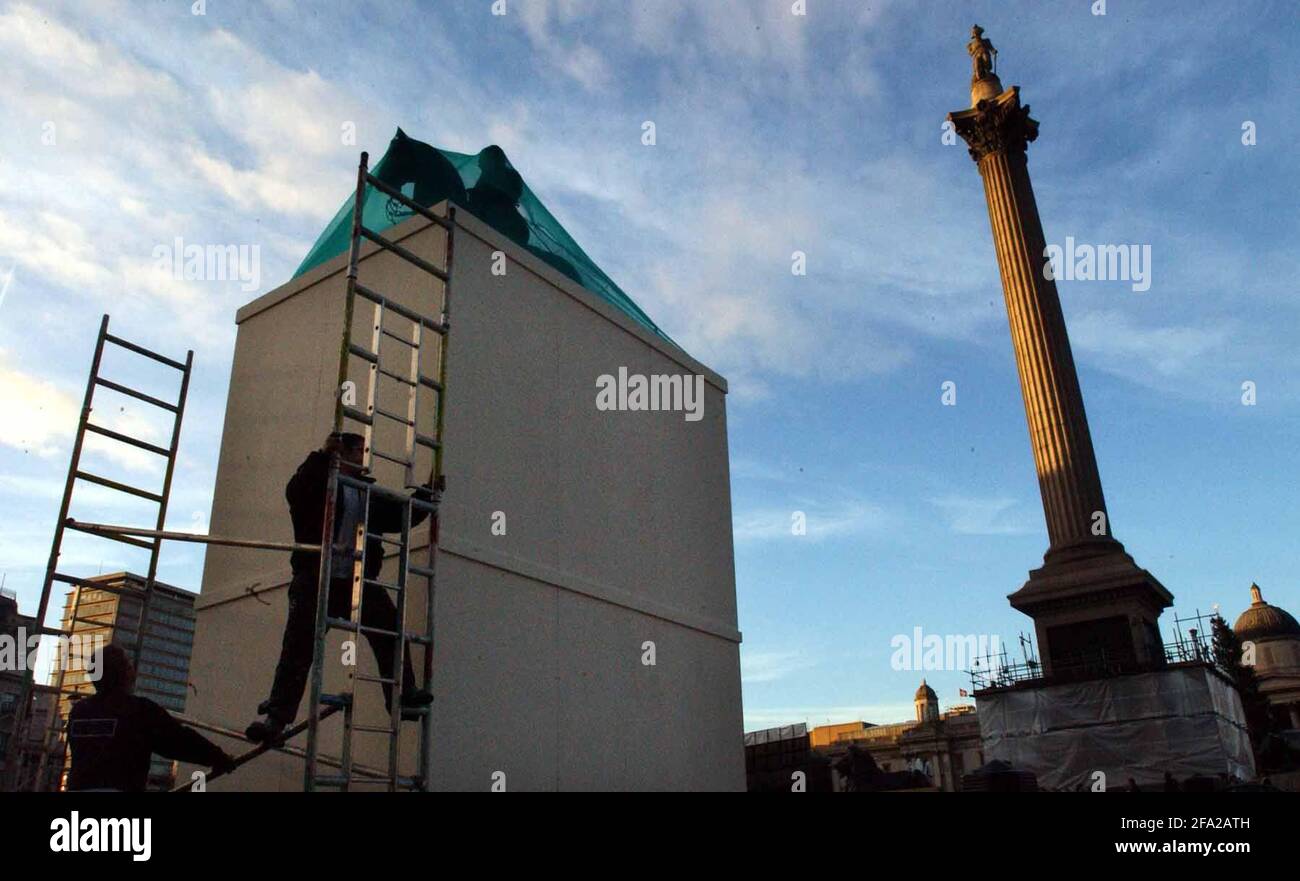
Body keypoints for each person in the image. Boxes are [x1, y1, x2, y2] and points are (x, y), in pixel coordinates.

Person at [245, 432, 434, 743]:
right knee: (298, 648)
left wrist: (427, 494)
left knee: (389, 628)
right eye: (360, 449)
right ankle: (276, 720)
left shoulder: (363, 492)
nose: (364, 455)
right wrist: (322, 456)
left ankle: (402, 697)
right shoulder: (318, 480)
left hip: (353, 579)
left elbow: (400, 515)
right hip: (316, 577)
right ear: (343, 451)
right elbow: (296, 492)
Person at [65, 644, 233, 791]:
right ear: (124, 673)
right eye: (129, 665)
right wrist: (218, 758)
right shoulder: (138, 710)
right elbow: (178, 741)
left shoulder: (79, 712)